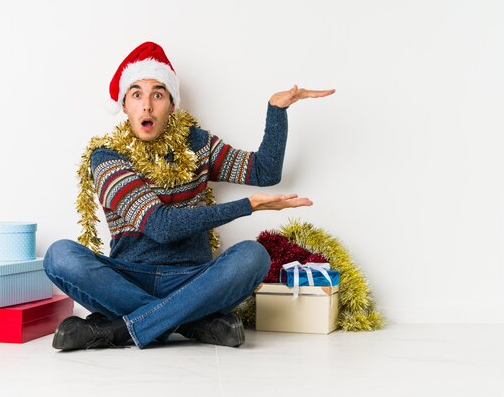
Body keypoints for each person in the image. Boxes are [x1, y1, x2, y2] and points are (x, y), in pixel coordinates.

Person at [44, 41, 335, 350]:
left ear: (171, 104)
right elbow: (161, 226)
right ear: (124, 105)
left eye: (157, 94)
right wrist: (245, 206)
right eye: (136, 94)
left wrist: (276, 111)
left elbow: (263, 172)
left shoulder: (198, 145)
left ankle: (119, 330)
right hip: (128, 279)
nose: (147, 106)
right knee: (59, 255)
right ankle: (193, 321)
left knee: (253, 256)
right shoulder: (107, 158)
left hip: (194, 277)